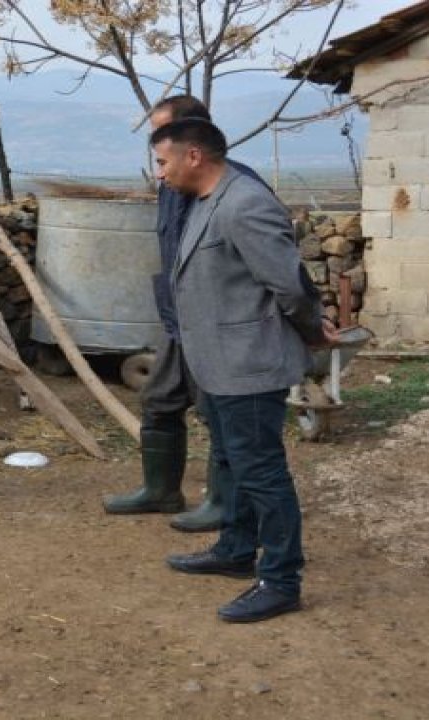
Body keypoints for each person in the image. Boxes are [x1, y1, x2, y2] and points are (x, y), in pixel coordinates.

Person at [150, 118, 338, 623]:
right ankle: (236, 549)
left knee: (262, 472)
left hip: (249, 361)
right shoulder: (205, 202)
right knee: (234, 460)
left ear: (193, 156)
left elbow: (290, 285)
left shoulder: (245, 202)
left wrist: (314, 330)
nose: (159, 174)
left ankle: (280, 579)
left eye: (163, 161)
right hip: (217, 360)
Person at [103, 96, 266, 533]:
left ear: (190, 137)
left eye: (162, 133)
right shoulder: (170, 186)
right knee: (158, 400)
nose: (156, 150)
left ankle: (222, 502)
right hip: (180, 319)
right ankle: (161, 491)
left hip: (217, 323)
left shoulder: (235, 189)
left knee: (217, 412)